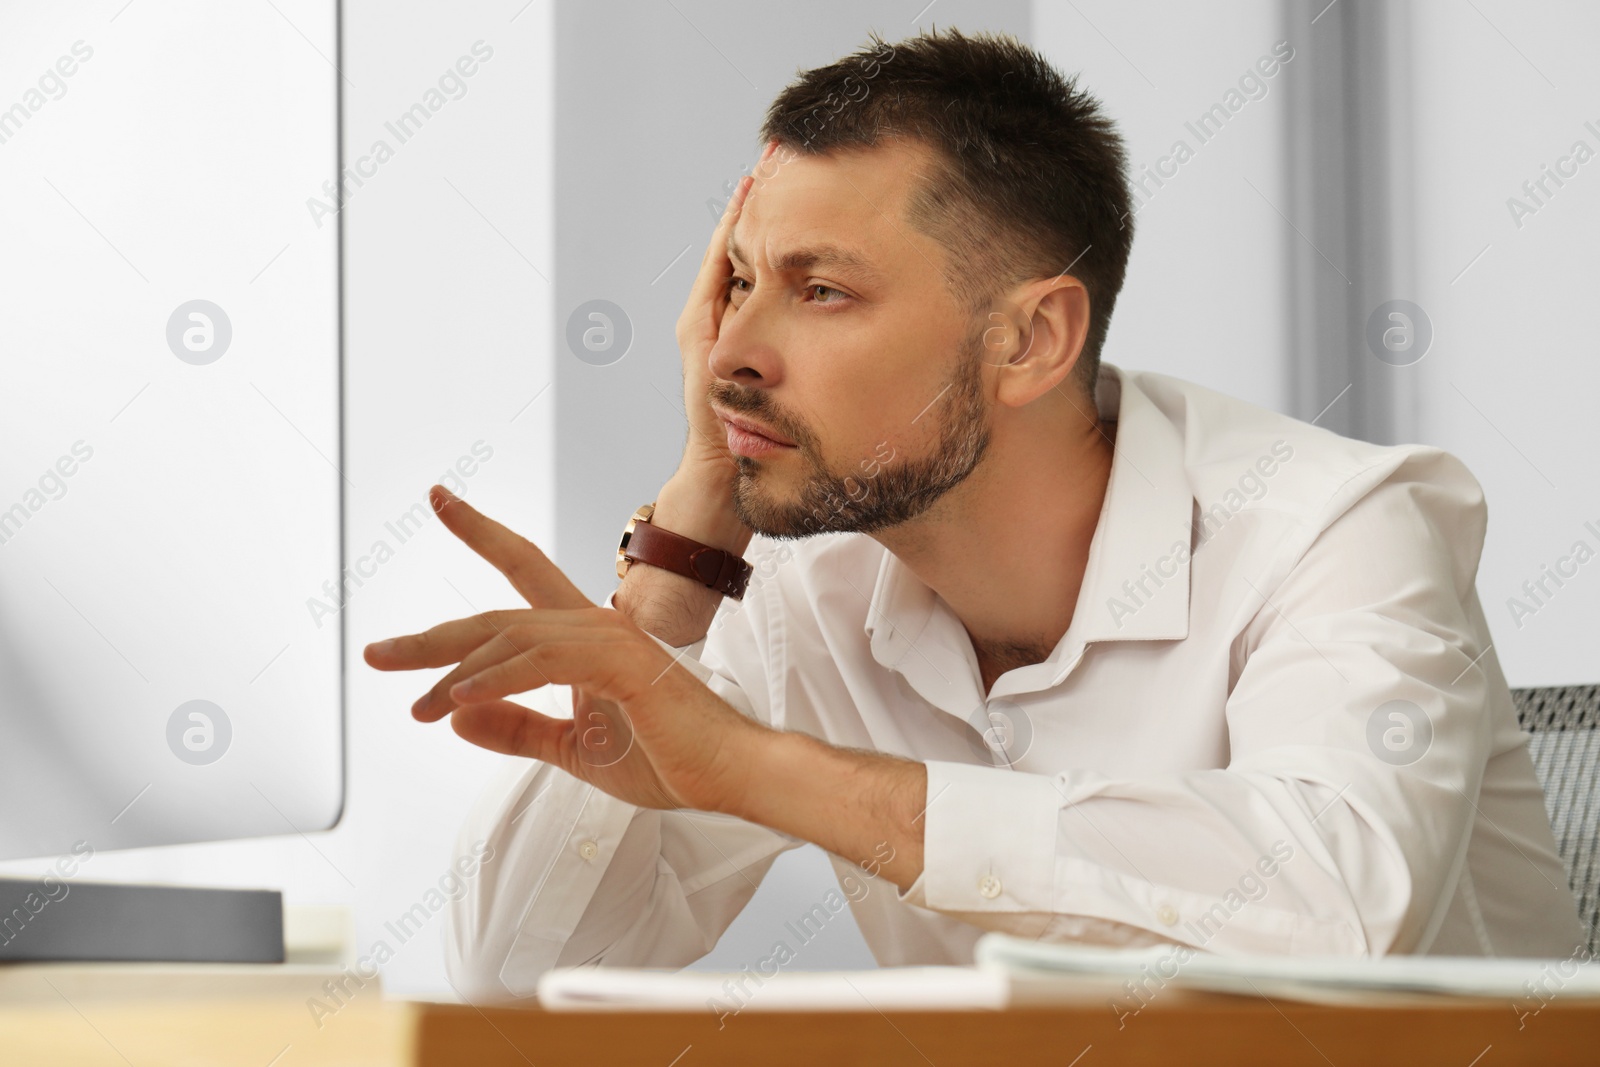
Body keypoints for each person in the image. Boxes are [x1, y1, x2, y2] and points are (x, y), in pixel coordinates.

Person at [362, 28, 1583, 1001]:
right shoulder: (804, 595)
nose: (727, 351)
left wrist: (759, 770)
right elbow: (512, 975)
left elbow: (1336, 904)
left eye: (820, 290)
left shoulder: (1336, 526)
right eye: (736, 283)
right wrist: (682, 560)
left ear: (1029, 338)